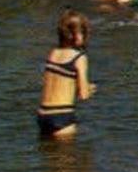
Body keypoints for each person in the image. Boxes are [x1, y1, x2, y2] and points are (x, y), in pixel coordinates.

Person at [37, 8, 96, 139]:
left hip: (43, 114)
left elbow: (57, 84)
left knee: (49, 157)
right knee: (68, 156)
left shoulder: (53, 53)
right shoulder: (79, 57)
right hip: (62, 114)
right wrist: (89, 88)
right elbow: (83, 95)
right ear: (76, 35)